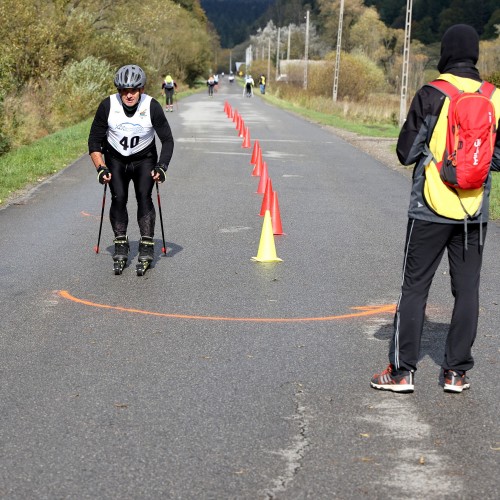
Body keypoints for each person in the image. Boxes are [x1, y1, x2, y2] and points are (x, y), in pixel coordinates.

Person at [370, 24, 500, 394]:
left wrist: (437, 158)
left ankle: (401, 372)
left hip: (429, 207)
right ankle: (456, 373)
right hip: (473, 213)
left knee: (415, 288)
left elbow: (405, 152)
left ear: (445, 52)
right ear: (475, 54)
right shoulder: (494, 97)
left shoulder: (431, 93)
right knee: (468, 290)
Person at [88, 64, 175, 268]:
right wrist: (101, 168)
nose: (129, 95)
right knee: (118, 197)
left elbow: (168, 140)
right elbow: (94, 141)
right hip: (115, 158)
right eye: (125, 91)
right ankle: (120, 243)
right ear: (119, 91)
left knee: (144, 196)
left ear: (141, 89)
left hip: (144, 158)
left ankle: (146, 244)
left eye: (133, 90)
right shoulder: (107, 106)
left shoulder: (152, 106)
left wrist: (162, 166)